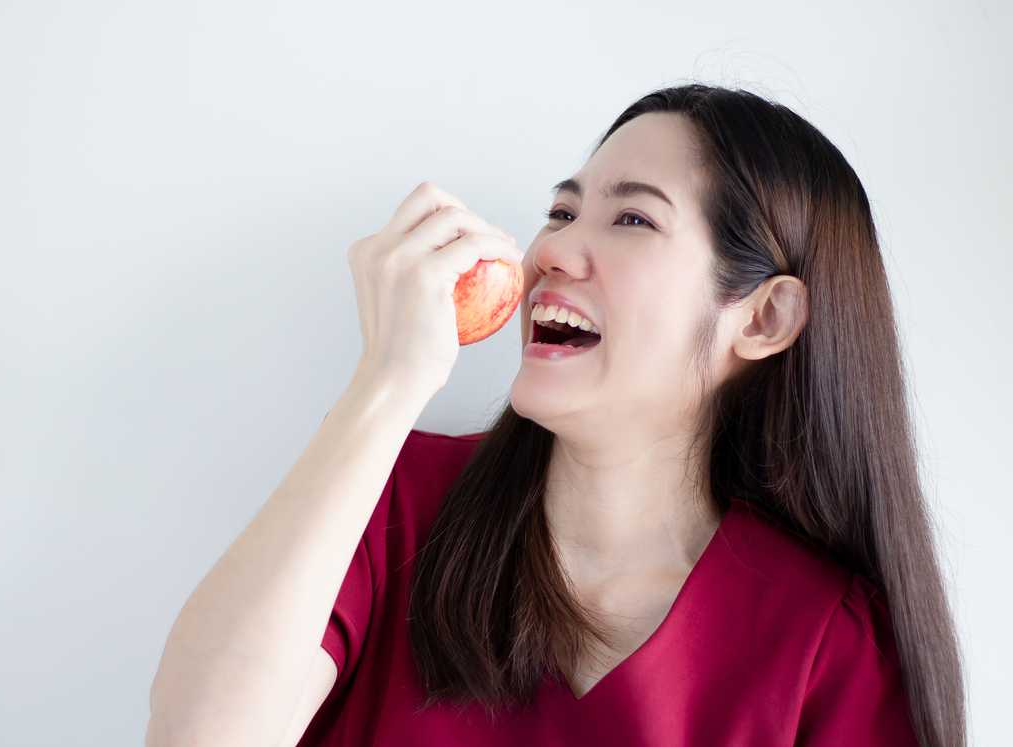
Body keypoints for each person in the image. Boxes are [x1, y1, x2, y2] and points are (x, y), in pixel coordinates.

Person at [146, 84, 966, 747]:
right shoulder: (391, 498)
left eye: (632, 219)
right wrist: (386, 383)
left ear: (762, 319)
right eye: (563, 212)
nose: (551, 253)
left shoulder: (831, 640)